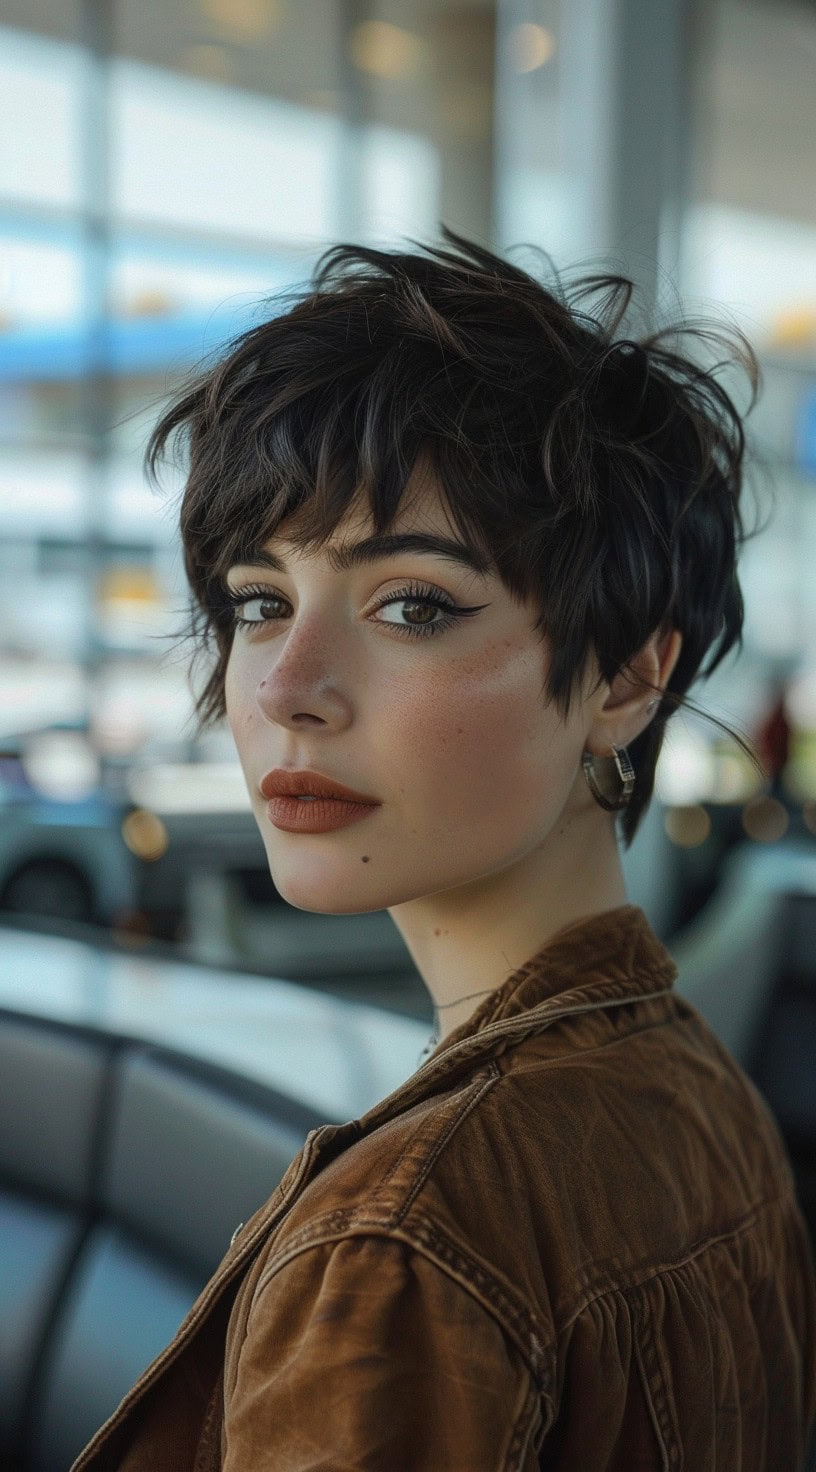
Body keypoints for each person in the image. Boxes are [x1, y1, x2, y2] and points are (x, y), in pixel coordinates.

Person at [72, 227, 816, 1470]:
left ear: (630, 673)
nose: (289, 687)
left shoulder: (401, 1251)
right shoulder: (695, 1089)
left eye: (412, 603)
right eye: (261, 601)